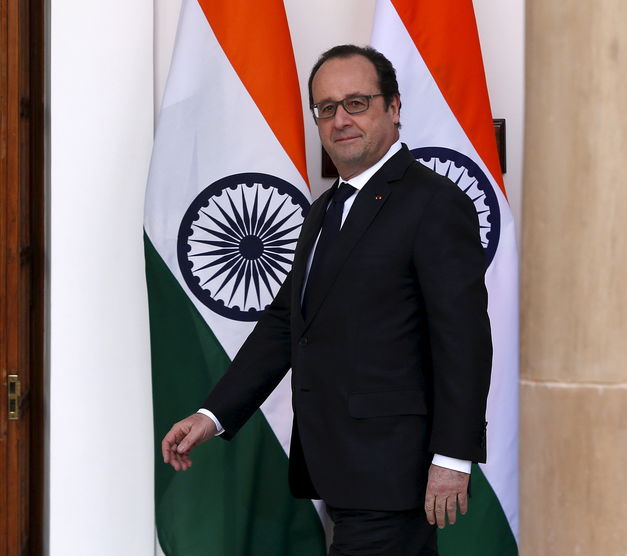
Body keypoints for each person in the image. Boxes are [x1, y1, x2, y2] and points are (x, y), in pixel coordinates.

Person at [161, 44, 492, 556]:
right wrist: (213, 414)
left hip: (395, 471)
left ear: (394, 108)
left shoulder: (433, 202)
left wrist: (453, 456)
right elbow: (284, 326)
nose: (340, 119)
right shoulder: (322, 211)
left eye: (357, 103)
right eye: (326, 108)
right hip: (339, 467)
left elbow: (465, 340)